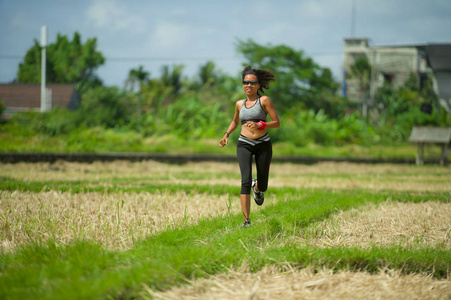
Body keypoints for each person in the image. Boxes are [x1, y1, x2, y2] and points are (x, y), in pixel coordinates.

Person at [219, 65, 280, 228]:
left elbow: (276, 123)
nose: (249, 85)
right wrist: (226, 134)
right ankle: (246, 221)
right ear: (242, 84)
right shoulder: (239, 104)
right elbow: (235, 121)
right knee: (244, 181)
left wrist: (262, 125)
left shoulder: (264, 101)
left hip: (263, 144)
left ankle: (257, 187)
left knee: (264, 184)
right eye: (246, 82)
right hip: (244, 144)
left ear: (258, 85)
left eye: (252, 83)